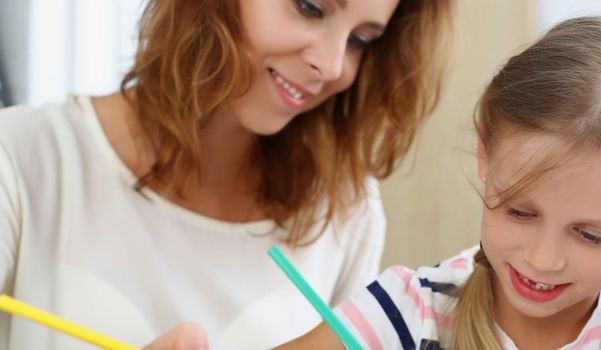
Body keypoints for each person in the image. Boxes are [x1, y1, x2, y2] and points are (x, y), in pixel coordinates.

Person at [272, 16, 601, 349]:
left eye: (590, 235)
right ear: (484, 154)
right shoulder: (407, 315)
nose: (543, 259)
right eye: (519, 212)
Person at [0, 0, 452, 348]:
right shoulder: (20, 158)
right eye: (310, 6)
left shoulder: (345, 213)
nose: (333, 65)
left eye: (360, 40)